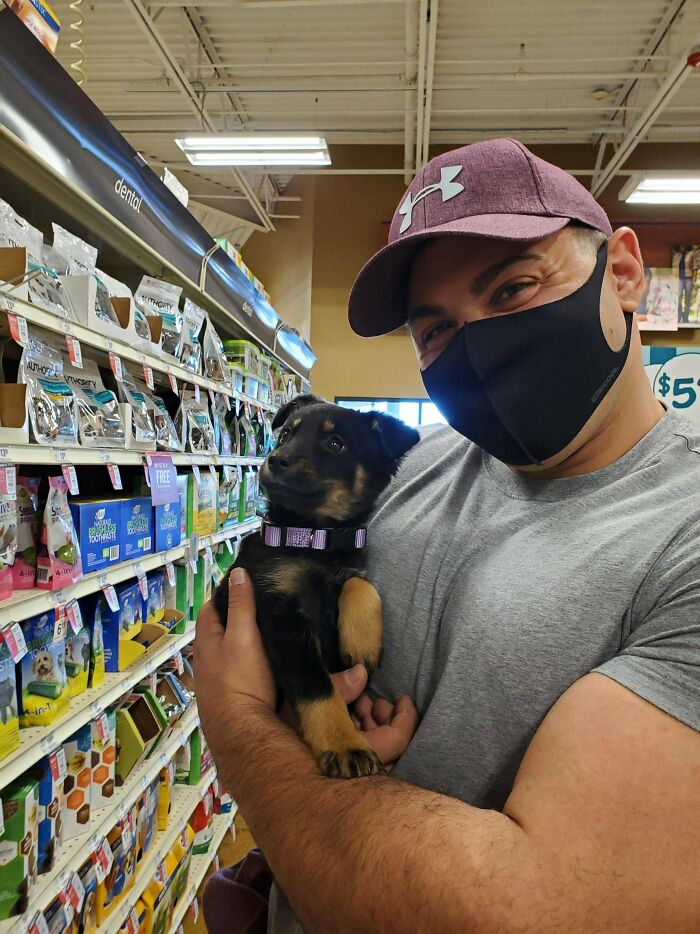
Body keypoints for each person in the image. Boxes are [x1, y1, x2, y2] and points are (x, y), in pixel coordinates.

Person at [195, 138, 700, 933]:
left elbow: (530, 910)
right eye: (434, 331)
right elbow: (263, 616)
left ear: (625, 273)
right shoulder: (409, 469)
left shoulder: (685, 538)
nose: (477, 348)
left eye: (514, 288)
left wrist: (246, 735)